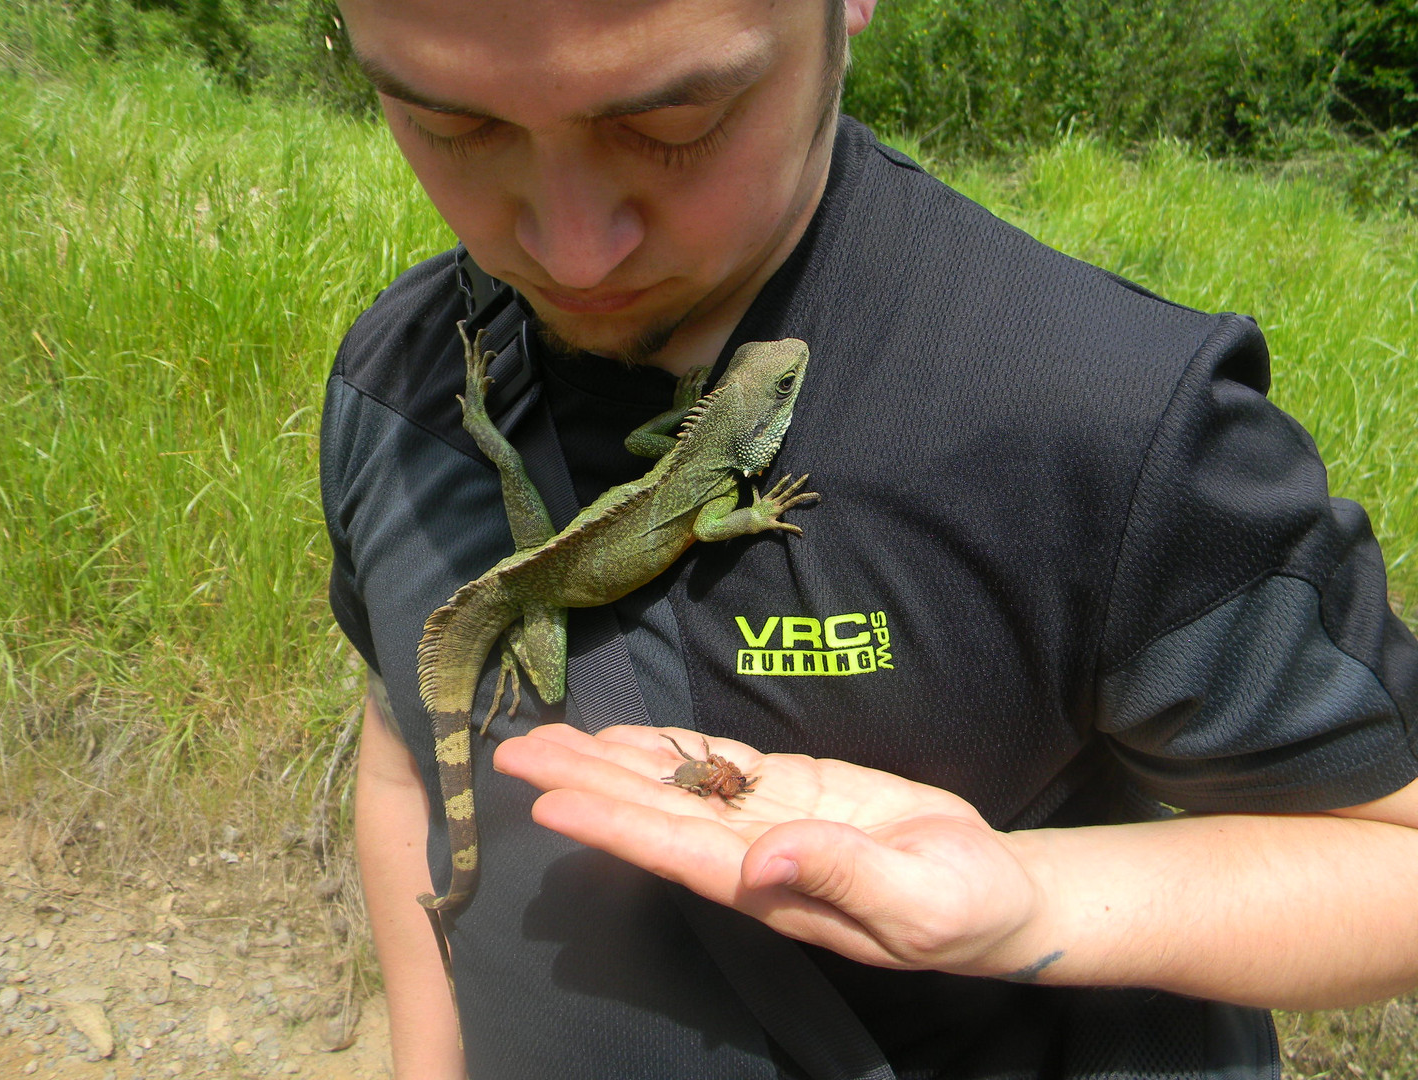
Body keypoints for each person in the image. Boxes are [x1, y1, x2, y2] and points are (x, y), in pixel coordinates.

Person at [320, 1, 1418, 1077]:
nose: (574, 248)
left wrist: (1032, 900)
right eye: (451, 124)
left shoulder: (1108, 419)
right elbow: (407, 745)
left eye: (675, 123)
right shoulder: (400, 378)